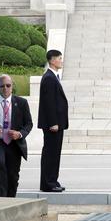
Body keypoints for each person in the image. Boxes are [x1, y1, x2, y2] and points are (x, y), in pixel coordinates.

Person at [0, 74, 33, 197]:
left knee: (13, 175)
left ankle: (10, 200)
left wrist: (19, 134)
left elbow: (29, 123)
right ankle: (0, 199)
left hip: (15, 143)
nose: (5, 88)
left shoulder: (22, 103)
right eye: (2, 86)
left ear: (12, 86)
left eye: (8, 85)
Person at [38, 49, 68, 192]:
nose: (61, 61)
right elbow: (48, 103)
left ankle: (53, 180)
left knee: (55, 153)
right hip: (53, 124)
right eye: (59, 58)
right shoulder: (49, 78)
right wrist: (53, 122)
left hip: (57, 123)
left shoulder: (53, 76)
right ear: (52, 60)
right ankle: (47, 183)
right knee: (50, 153)